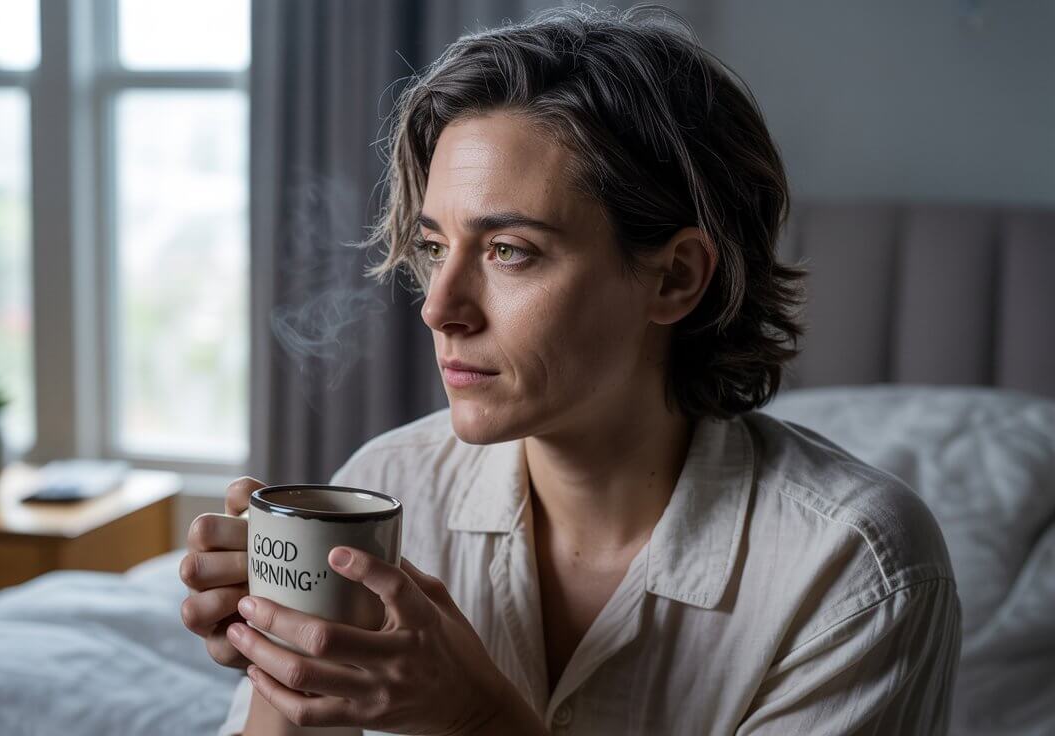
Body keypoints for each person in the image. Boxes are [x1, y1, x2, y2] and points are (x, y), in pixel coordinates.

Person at [181, 5, 961, 735]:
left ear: (675, 278)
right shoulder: (390, 485)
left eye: (508, 251)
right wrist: (284, 672)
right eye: (433, 246)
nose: (439, 307)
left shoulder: (858, 572)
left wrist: (478, 719)